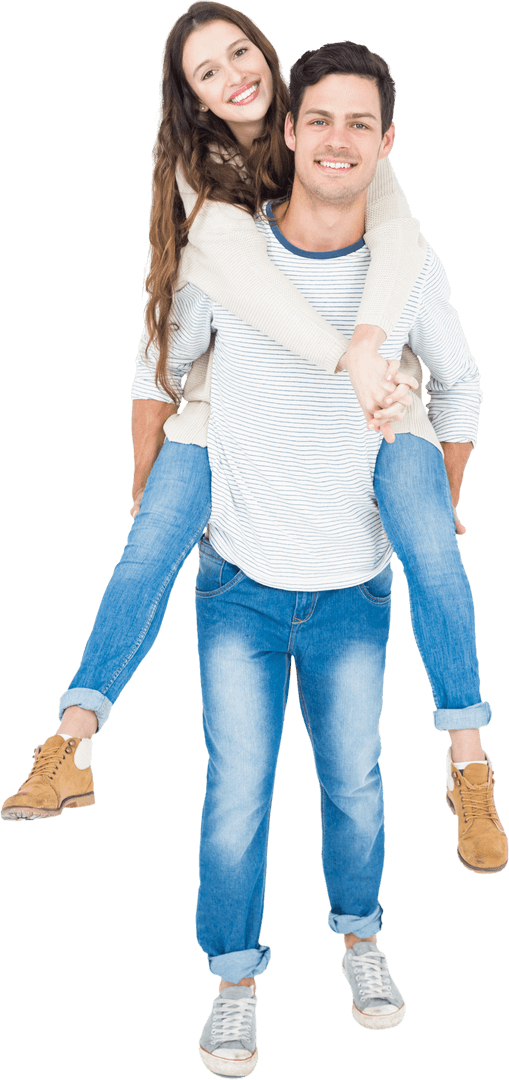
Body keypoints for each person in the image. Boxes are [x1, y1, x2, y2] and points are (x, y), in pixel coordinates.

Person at [2, 4, 505, 893]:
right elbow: (166, 357)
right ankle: (71, 742)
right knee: (150, 544)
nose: (233, 73)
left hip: (386, 408)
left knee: (430, 545)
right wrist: (143, 469)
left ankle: (469, 764)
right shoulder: (212, 199)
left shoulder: (333, 129)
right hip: (221, 410)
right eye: (206, 71)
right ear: (192, 101)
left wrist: (430, 466)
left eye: (240, 51)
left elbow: (400, 253)